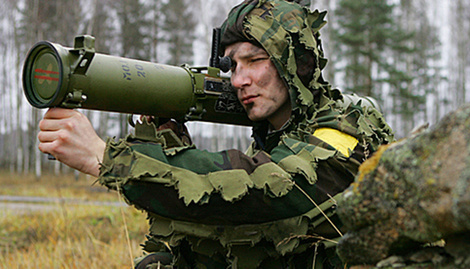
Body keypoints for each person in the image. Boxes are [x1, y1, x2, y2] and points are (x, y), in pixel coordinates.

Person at [38, 0, 394, 268]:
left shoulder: (346, 126)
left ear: (295, 63)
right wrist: (170, 137)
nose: (239, 80)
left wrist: (103, 157)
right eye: (233, 66)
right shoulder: (277, 133)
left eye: (255, 61)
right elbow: (225, 218)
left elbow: (266, 190)